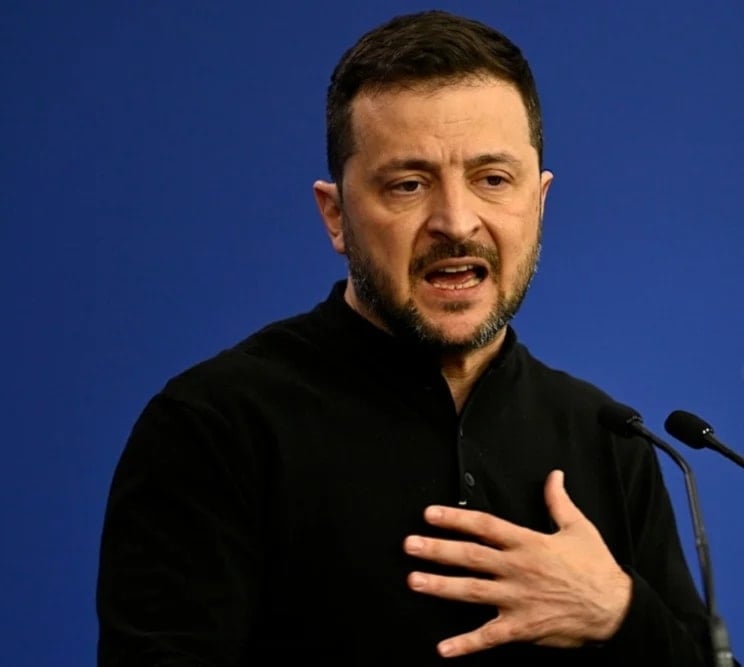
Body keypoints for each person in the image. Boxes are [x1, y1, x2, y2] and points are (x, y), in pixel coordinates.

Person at [97, 10, 717, 666]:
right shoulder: (214, 428)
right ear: (336, 216)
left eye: (492, 179)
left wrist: (618, 610)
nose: (456, 221)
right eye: (409, 184)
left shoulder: (609, 438)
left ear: (538, 203)